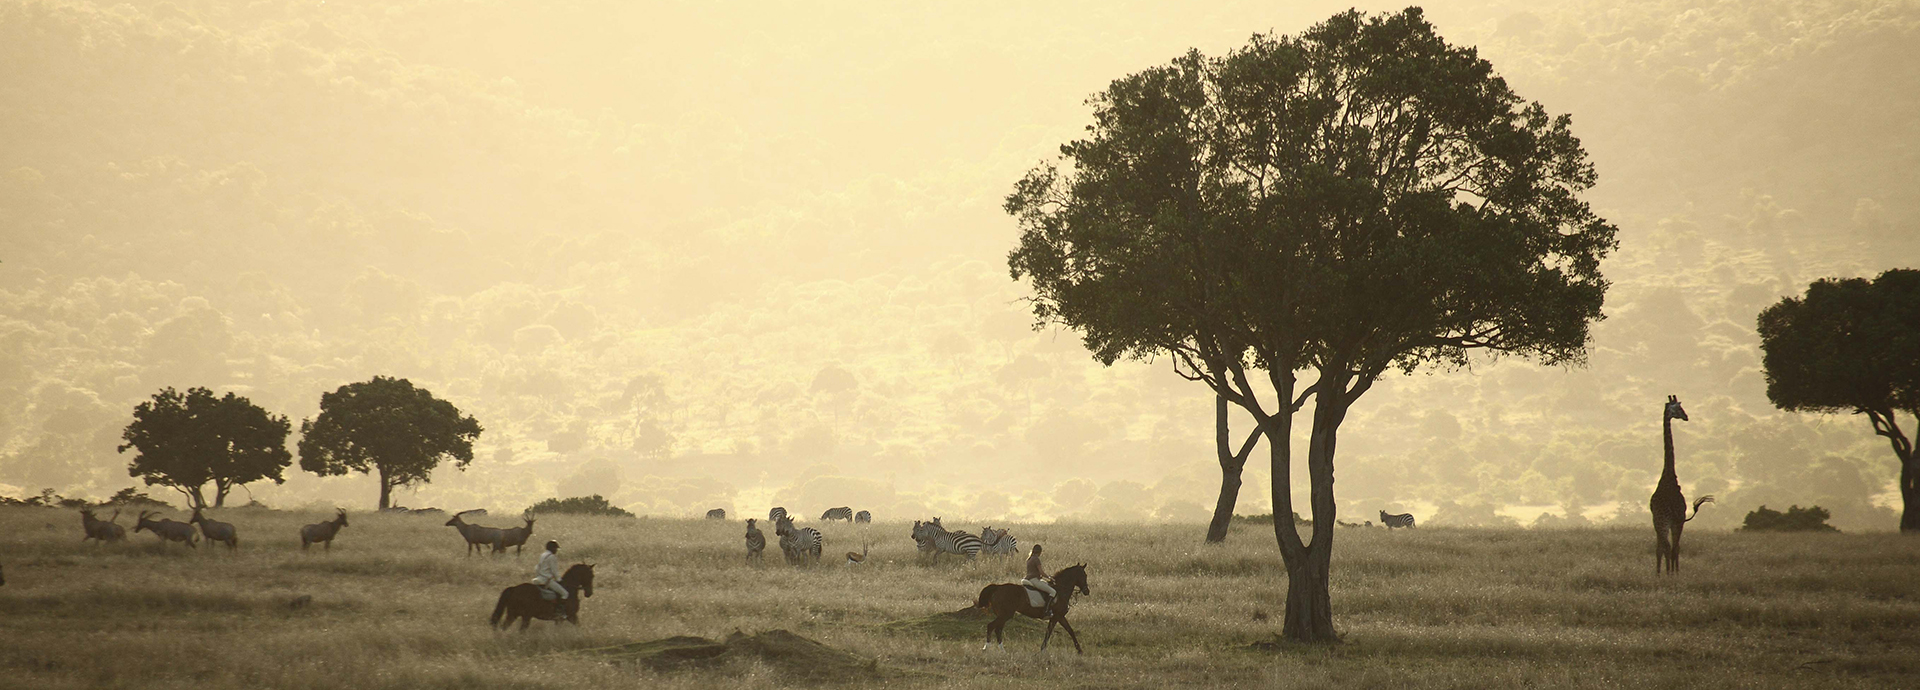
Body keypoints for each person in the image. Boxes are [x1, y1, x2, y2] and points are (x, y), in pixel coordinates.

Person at [533, 540, 568, 619]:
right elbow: (554, 571)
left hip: (538, 578)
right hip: (547, 580)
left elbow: (537, 567)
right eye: (555, 548)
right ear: (552, 548)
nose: (556, 550)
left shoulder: (542, 555)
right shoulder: (552, 557)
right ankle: (560, 612)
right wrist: (559, 580)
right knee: (565, 593)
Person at [1023, 544, 1056, 617]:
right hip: (1034, 580)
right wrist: (1050, 578)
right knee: (1053, 592)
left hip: (1028, 579)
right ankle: (1046, 610)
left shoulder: (1029, 558)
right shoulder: (1036, 559)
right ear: (1039, 552)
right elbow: (1041, 572)